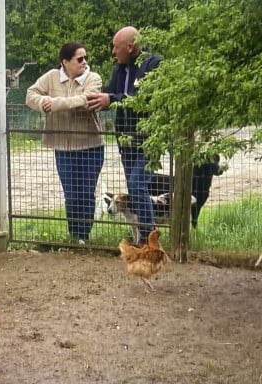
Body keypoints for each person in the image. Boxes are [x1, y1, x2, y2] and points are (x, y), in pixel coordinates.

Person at [87, 26, 162, 245]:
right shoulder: (120, 68)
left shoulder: (154, 64)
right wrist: (101, 100)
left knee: (138, 184)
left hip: (149, 138)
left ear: (130, 47)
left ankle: (149, 239)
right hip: (126, 139)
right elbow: (113, 92)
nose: (113, 52)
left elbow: (141, 97)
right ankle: (142, 238)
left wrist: (113, 99)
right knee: (134, 186)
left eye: (116, 47)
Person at [26, 42, 105, 244]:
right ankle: (74, 234)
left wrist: (54, 103)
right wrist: (43, 104)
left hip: (90, 146)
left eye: (85, 58)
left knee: (86, 192)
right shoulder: (52, 77)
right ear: (65, 62)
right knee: (71, 193)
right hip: (62, 147)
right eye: (79, 59)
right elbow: (30, 94)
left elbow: (85, 99)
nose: (84, 62)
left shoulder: (93, 78)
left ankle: (84, 236)